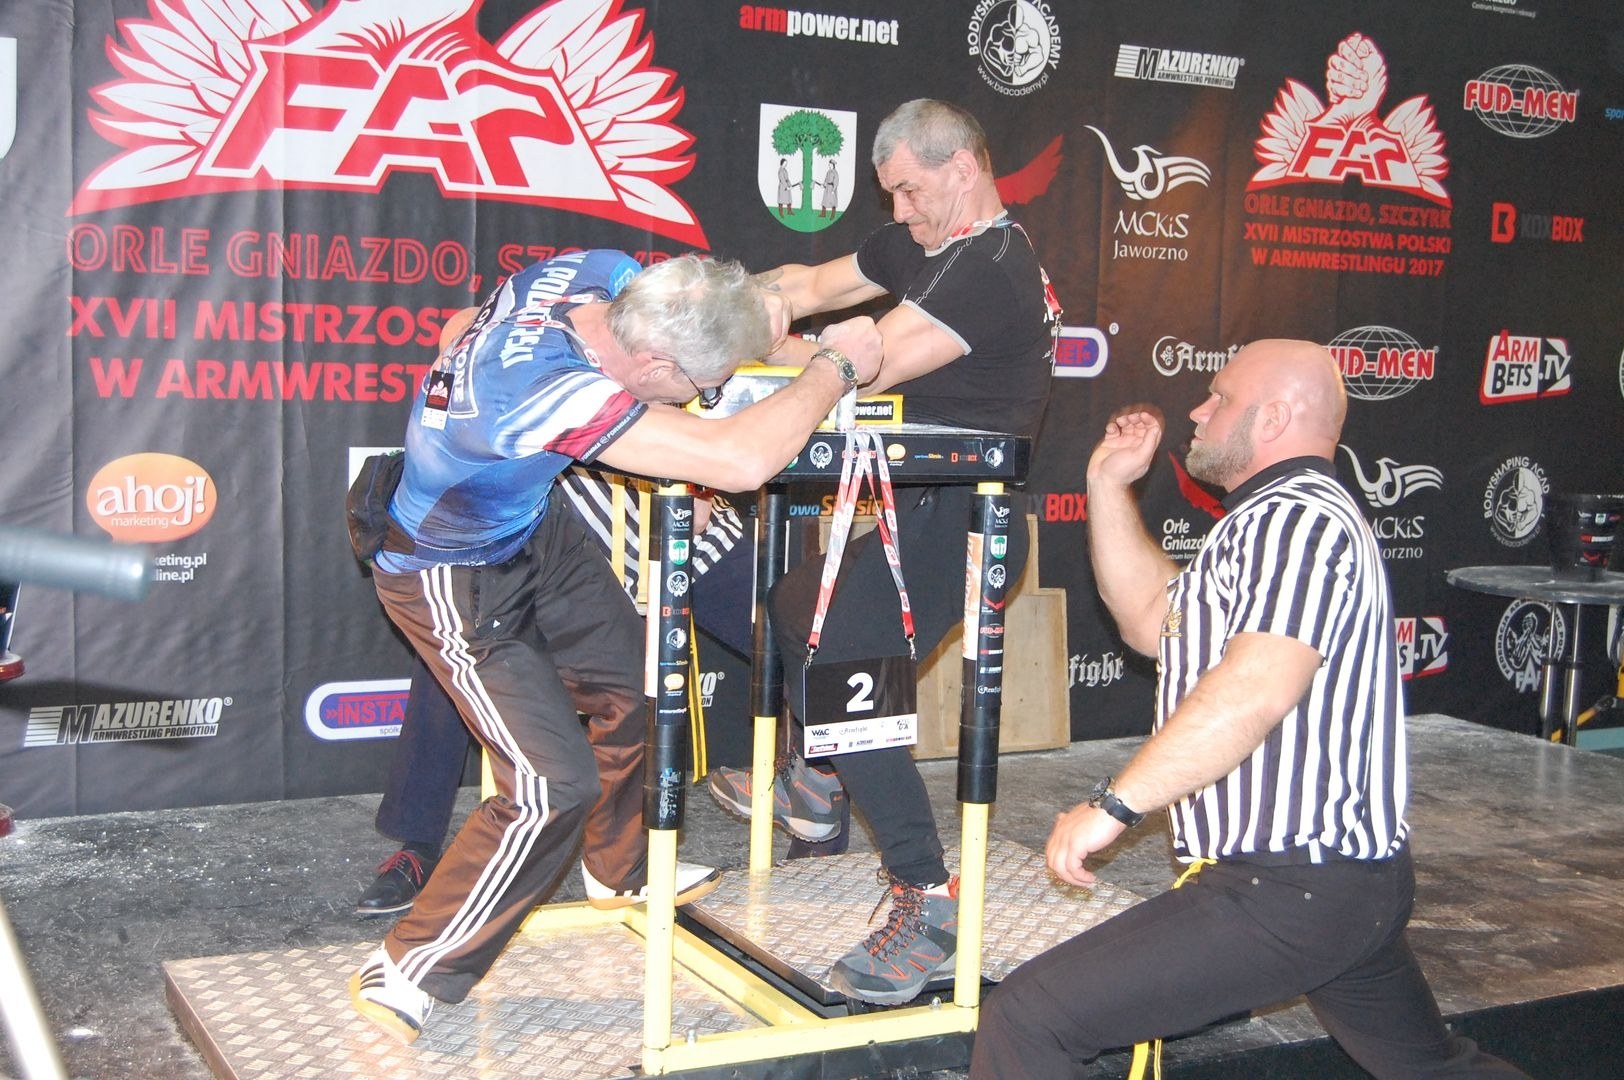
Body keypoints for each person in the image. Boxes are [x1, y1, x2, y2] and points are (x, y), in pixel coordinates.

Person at [348, 248, 881, 1044]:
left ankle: (617, 871)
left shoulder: (595, 272)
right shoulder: (547, 391)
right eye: (697, 388)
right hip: (446, 571)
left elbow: (461, 324)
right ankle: (410, 966)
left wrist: (757, 314)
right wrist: (833, 368)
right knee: (548, 785)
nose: (701, 401)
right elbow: (739, 460)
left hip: (535, 527)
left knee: (636, 681)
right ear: (654, 363)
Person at [970, 340, 1528, 1078]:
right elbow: (1151, 617)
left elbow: (1255, 688)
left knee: (1029, 1019)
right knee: (1432, 1071)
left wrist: (1114, 805)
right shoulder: (1267, 520)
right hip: (1331, 886)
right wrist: (1106, 484)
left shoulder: (1298, 520)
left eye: (1220, 398)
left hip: (1291, 888)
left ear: (1274, 418)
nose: (1197, 412)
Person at [706, 98, 1062, 1005]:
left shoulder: (992, 269)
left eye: (910, 190)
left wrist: (718, 358)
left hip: (972, 527)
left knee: (840, 663)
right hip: (919, 515)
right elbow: (812, 284)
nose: (898, 212)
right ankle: (818, 782)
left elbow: (862, 361)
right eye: (890, 193)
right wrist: (735, 307)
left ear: (963, 169)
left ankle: (927, 901)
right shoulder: (927, 244)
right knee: (794, 605)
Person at [354, 463, 760, 918]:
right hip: (560, 528)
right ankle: (419, 844)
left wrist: (698, 473)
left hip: (676, 525)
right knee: (455, 653)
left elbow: (703, 498)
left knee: (780, 635)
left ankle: (812, 794)